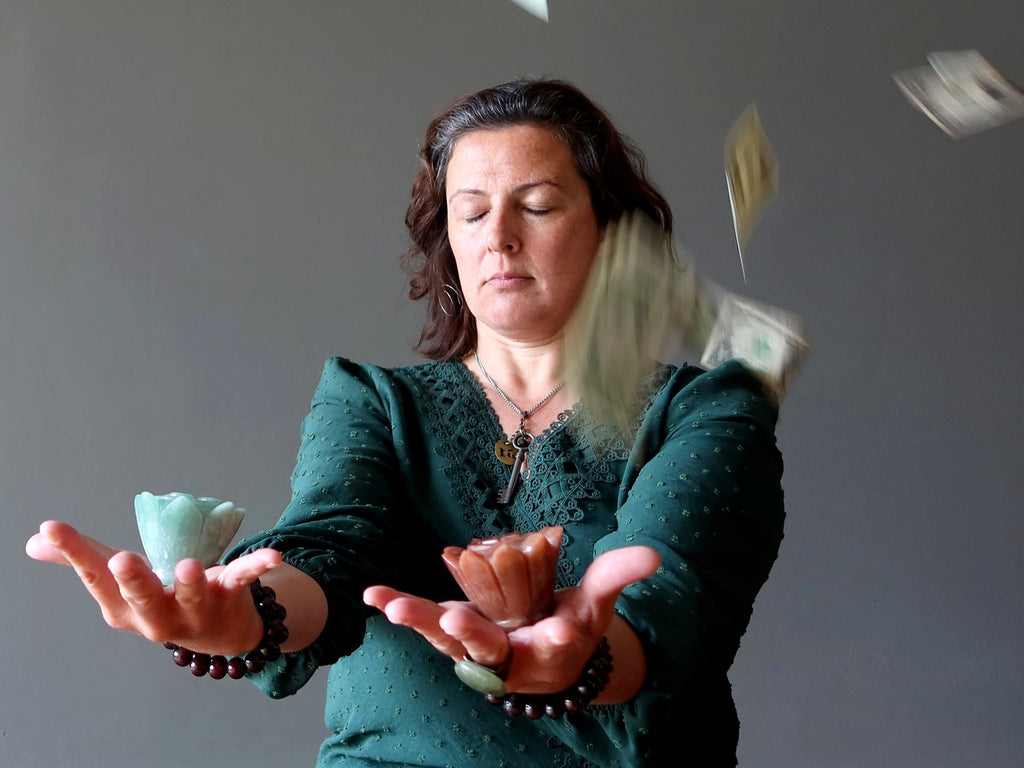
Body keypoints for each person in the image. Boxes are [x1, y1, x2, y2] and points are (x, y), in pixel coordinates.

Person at [26, 78, 786, 767]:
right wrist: (241, 617)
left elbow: (672, 610)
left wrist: (563, 657)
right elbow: (329, 547)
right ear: (447, 239)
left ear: (612, 232)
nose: (499, 236)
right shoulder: (372, 401)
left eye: (540, 205)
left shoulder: (707, 408)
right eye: (472, 210)